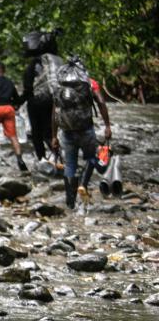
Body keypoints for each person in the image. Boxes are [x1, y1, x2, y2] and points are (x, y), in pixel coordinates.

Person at [50, 59, 112, 209]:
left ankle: (70, 202)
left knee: (70, 165)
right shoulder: (89, 83)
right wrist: (107, 125)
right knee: (91, 157)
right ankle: (83, 185)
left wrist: (53, 136)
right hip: (85, 129)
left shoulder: (60, 84)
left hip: (66, 130)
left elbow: (55, 112)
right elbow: (101, 102)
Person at [0, 62, 28, 171]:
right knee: (13, 136)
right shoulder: (9, 82)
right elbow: (17, 99)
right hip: (9, 109)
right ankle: (20, 159)